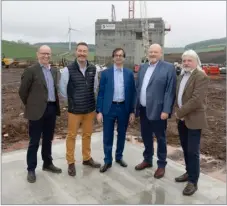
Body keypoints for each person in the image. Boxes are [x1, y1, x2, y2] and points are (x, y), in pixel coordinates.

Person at [19, 45, 62, 183]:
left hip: (51, 109)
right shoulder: (31, 70)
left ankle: (47, 163)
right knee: (34, 141)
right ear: (37, 54)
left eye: (48, 54)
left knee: (48, 139)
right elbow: (22, 92)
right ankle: (31, 169)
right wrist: (32, 105)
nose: (46, 56)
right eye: (43, 53)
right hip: (36, 111)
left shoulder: (54, 71)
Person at [59, 42, 101, 177]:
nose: (82, 53)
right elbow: (63, 89)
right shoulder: (68, 69)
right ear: (76, 52)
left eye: (84, 51)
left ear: (87, 53)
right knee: (71, 136)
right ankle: (70, 162)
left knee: (87, 135)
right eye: (80, 51)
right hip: (74, 110)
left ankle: (86, 158)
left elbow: (95, 88)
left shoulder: (93, 69)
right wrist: (71, 101)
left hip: (89, 109)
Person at [135, 44, 177, 178]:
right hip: (143, 109)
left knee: (161, 138)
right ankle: (147, 160)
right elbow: (138, 88)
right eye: (150, 52)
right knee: (146, 136)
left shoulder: (168, 68)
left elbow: (169, 91)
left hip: (159, 111)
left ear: (160, 53)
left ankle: (161, 165)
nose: (152, 54)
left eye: (155, 52)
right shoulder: (143, 67)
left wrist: (166, 110)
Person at [175, 50, 209, 196]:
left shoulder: (200, 76)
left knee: (192, 151)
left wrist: (179, 113)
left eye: (190, 60)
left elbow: (196, 100)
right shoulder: (182, 75)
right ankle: (189, 173)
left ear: (196, 61)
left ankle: (193, 182)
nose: (186, 63)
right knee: (185, 147)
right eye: (184, 60)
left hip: (193, 119)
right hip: (182, 120)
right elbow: (179, 95)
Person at [96, 48, 136, 173]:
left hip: (123, 108)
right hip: (109, 108)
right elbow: (101, 93)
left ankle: (119, 157)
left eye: (121, 55)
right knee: (107, 135)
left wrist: (132, 111)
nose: (118, 57)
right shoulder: (106, 74)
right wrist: (99, 111)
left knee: (122, 134)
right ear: (113, 58)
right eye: (116, 55)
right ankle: (107, 160)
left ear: (124, 58)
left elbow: (133, 93)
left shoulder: (129, 74)